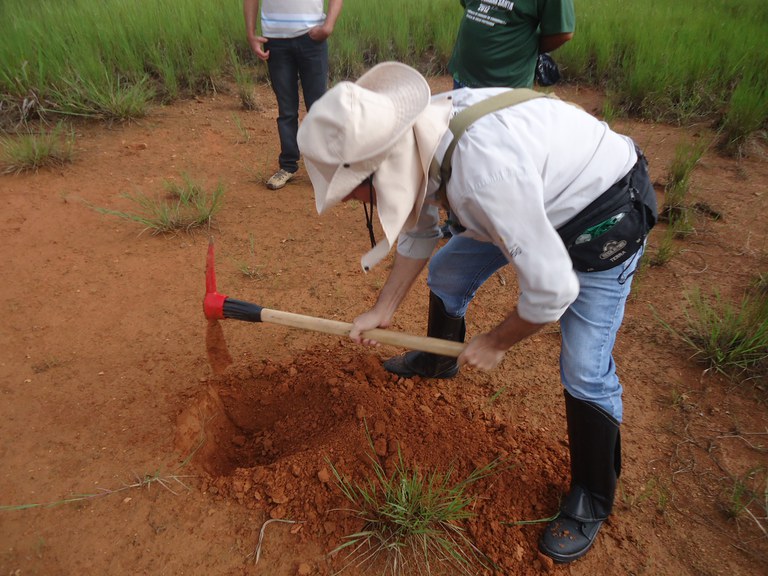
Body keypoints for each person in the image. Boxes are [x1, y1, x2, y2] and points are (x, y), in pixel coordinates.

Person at [297, 62, 657, 562]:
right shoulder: (420, 134)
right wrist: (384, 308)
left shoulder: (484, 175)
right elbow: (420, 226)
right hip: (533, 197)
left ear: (379, 169)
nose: (348, 199)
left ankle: (592, 497)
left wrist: (495, 341)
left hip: (602, 213)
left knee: (584, 369)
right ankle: (435, 360)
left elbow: (552, 290)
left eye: (350, 188)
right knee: (448, 272)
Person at [440, 0, 574, 236]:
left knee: (492, 155)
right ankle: (457, 221)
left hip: (505, 86)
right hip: (465, 74)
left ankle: (485, 223)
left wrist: (524, 49)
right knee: (455, 146)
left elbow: (562, 32)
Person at [243, 0, 343, 190]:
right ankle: (288, 165)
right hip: (275, 41)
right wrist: (250, 34)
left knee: (318, 108)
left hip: (312, 38)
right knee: (287, 109)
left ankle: (325, 167)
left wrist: (328, 26)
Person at [448, 0, 575, 90]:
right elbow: (471, 5)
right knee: (461, 125)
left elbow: (562, 33)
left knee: (498, 128)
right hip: (463, 76)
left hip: (506, 87)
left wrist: (529, 49)